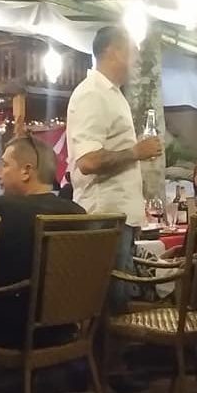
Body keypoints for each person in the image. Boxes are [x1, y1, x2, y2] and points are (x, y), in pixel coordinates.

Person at [67, 26, 162, 309]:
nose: (136, 59)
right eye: (132, 51)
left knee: (118, 301)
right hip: (104, 216)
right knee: (109, 306)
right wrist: (135, 152)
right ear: (113, 51)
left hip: (117, 216)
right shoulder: (92, 94)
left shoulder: (113, 94)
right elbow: (88, 161)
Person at [0, 137, 85, 347]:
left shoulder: (2, 208)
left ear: (26, 171)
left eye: (5, 165)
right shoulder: (78, 213)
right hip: (65, 327)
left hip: (8, 328)